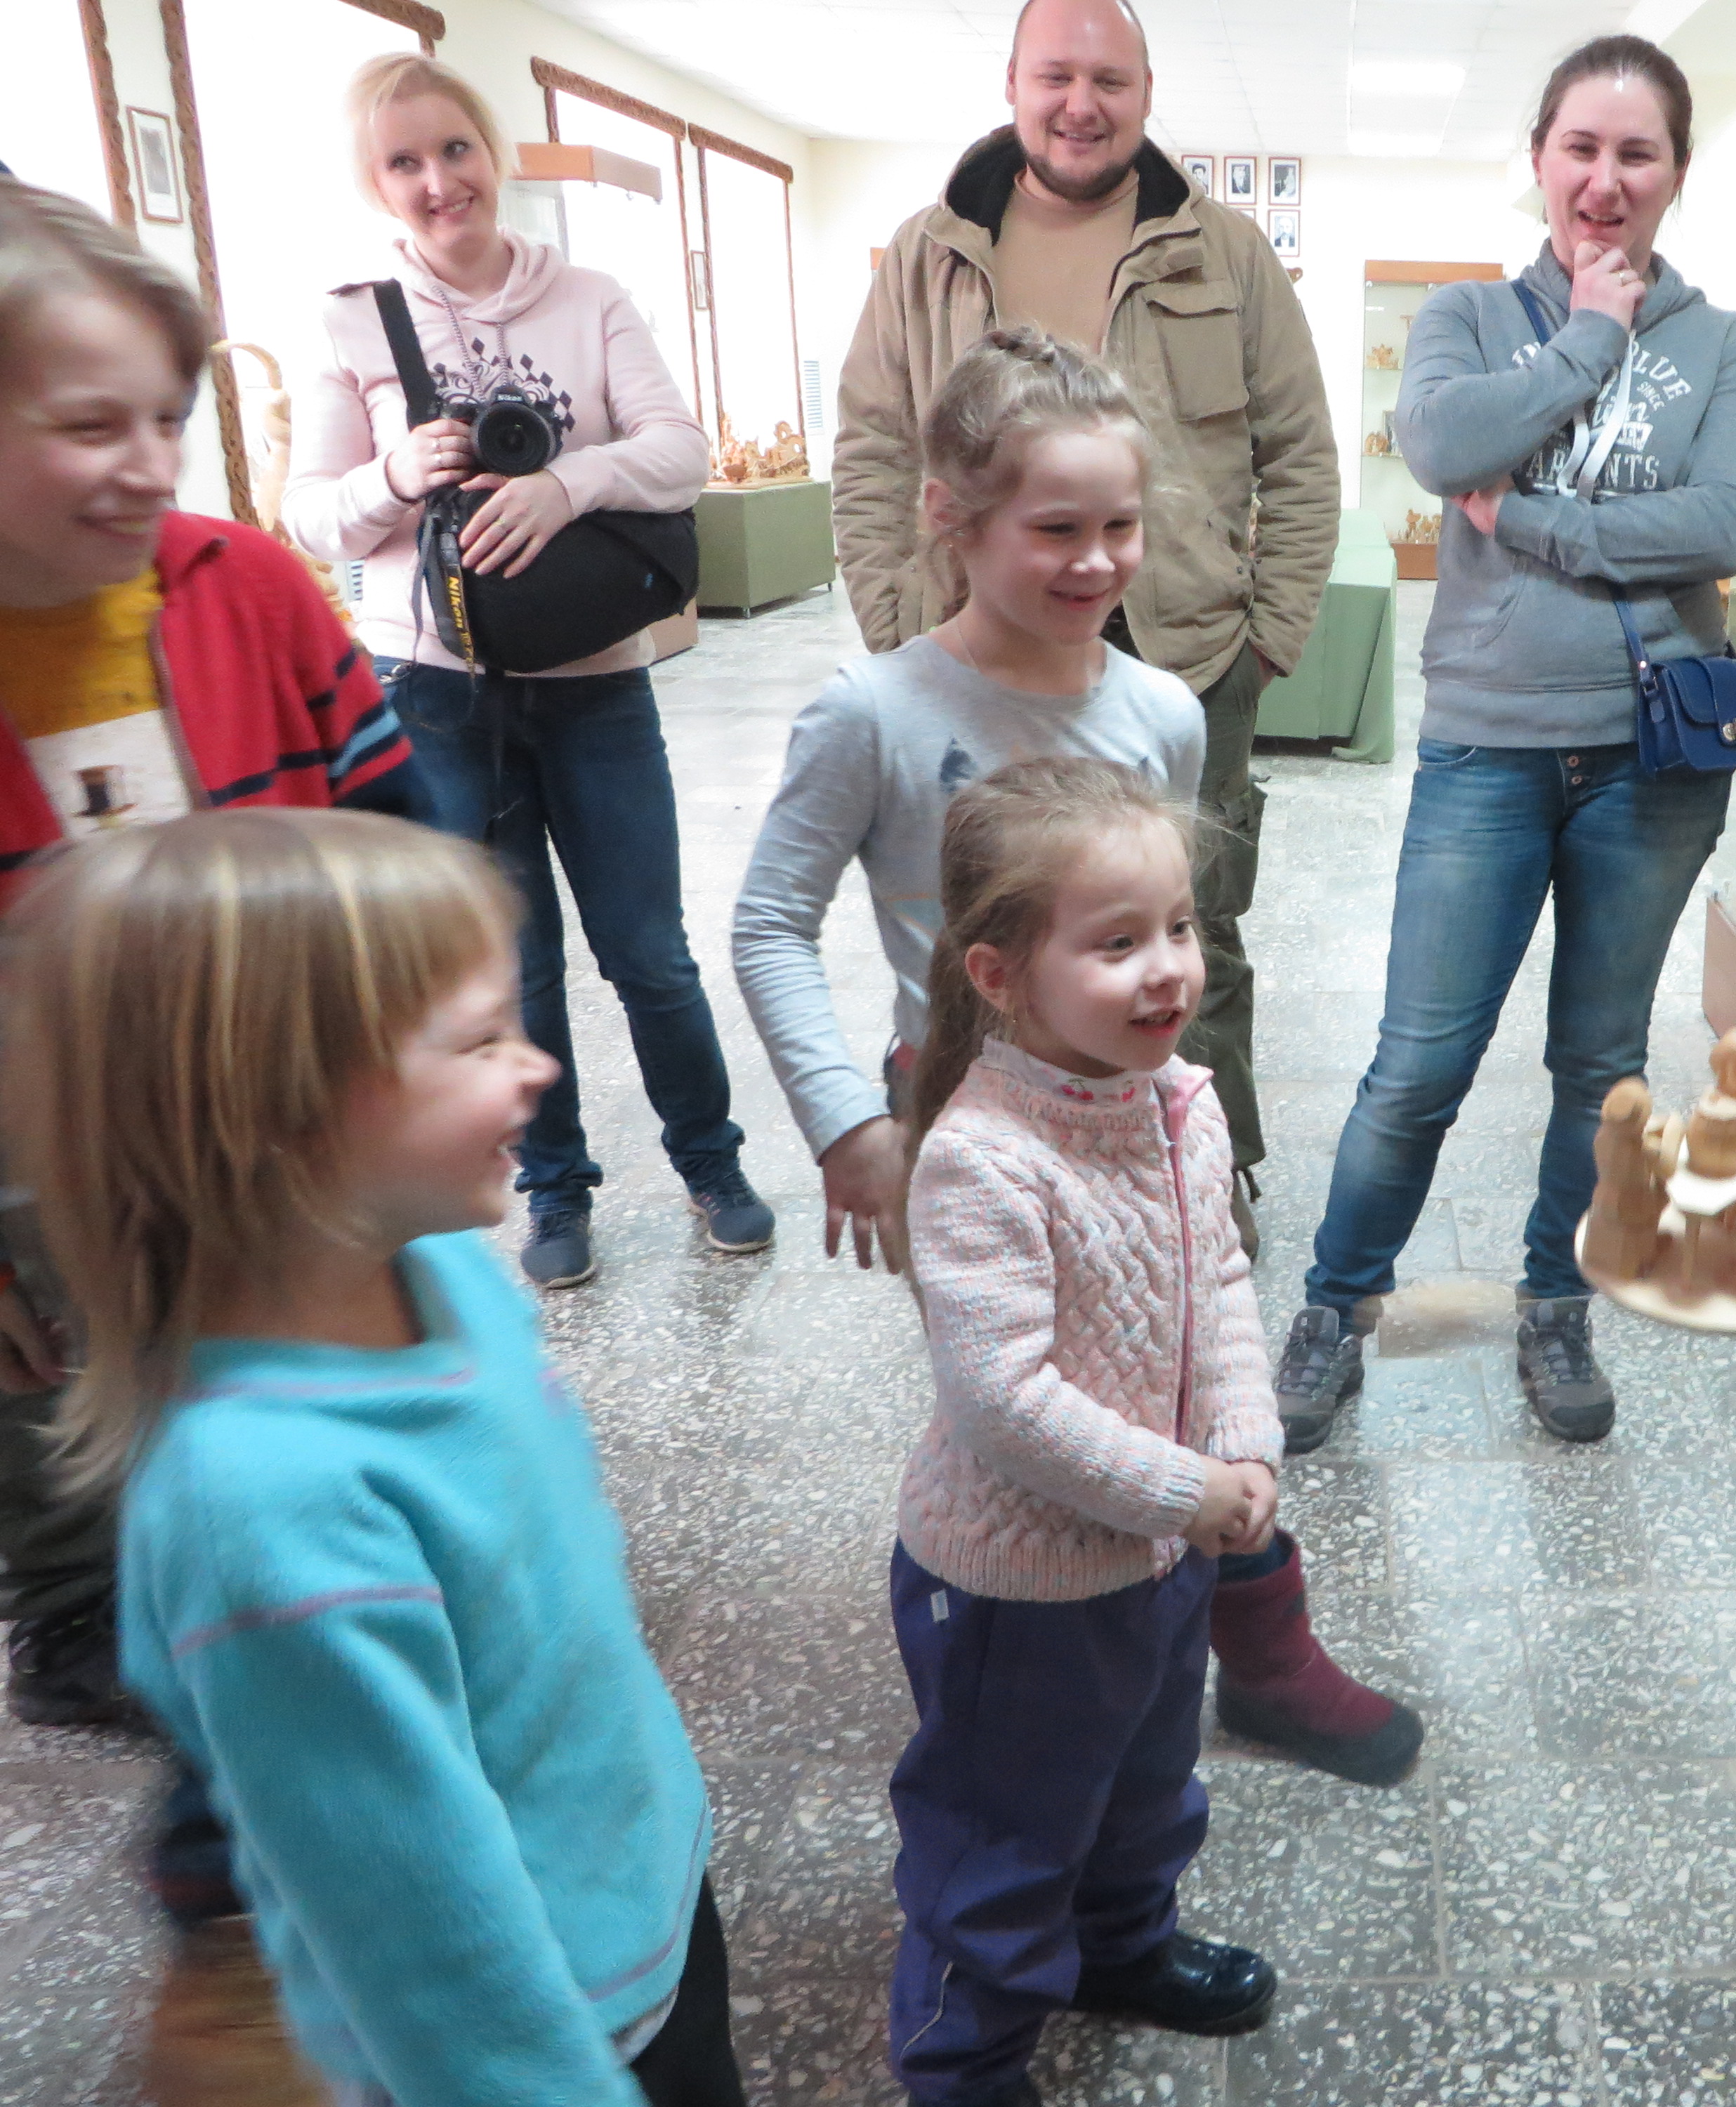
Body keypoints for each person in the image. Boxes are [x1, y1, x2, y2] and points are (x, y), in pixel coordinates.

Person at [735, 329, 1418, 1787]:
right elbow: (768, 922)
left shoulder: (1158, 713)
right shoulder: (873, 714)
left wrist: (1194, 1108)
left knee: (1191, 1365)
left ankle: (1255, 1647)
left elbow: (1165, 923)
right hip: (969, 1127)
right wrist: (849, 1123)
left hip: (1144, 1118)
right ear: (950, 515)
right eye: (1056, 528)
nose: (1097, 561)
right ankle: (1046, 1651)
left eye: (1121, 525)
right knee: (1037, 1397)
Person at [0, 807, 744, 2107]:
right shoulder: (262, 1506)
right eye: (480, 1040)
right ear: (277, 1114)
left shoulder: (441, 1263)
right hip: (554, 2031)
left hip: (643, 1894)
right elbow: (419, 1934)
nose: (538, 1067)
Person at [1273, 34, 1736, 1449]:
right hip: (1486, 751)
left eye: (1637, 153)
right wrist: (1589, 340)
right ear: (1541, 161)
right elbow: (1441, 450)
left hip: (1653, 762)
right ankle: (1335, 1301)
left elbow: (1722, 522)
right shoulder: (1467, 318)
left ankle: (1557, 1303)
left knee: (1600, 1065)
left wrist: (1534, 521)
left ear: (1675, 171)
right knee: (1418, 1062)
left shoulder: (1727, 348)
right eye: (1581, 149)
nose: (1606, 181)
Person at [0, 175, 427, 1732]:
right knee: (55, 1383)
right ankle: (79, 1618)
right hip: (34, 1140)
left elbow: (395, 841)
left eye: (167, 419)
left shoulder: (243, 583)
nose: (146, 462)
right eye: (87, 425)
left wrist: (408, 1049)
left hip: (275, 1088)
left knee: (286, 1372)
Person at [831, 0, 1342, 1258]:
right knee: (988, 928)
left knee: (1192, 925)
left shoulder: (1225, 255)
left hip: (1183, 658)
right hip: (972, 657)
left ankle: (1208, 1167)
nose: (1081, 104)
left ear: (1147, 91)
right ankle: (989, 1181)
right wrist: (898, 621)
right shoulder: (930, 254)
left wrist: (1263, 638)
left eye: (1109, 79)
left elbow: (1302, 455)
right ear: (1013, 84)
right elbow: (873, 446)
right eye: (1055, 76)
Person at [286, 52, 769, 1293]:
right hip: (435, 690)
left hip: (595, 675)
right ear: (375, 184)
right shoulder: (352, 322)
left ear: (492, 153)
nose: (438, 181)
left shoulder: (590, 297)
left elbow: (679, 450)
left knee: (649, 951)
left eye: (455, 148)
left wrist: (566, 483)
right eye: (404, 162)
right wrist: (396, 475)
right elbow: (311, 513)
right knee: (512, 968)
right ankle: (556, 1188)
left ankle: (711, 1162)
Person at [888, 756, 1287, 2107]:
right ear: (999, 975)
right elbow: (1004, 1404)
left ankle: (1123, 1946)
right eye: (1116, 944)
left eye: (1178, 926)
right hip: (1022, 1593)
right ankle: (965, 2064)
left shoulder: (1178, 1102)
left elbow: (1218, 1278)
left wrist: (1245, 1441)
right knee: (1004, 1837)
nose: (1168, 967)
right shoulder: (983, 1159)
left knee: (1146, 1785)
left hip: (1159, 1559)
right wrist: (1187, 1490)